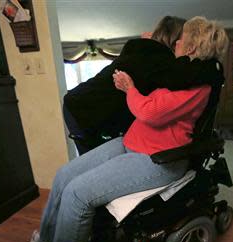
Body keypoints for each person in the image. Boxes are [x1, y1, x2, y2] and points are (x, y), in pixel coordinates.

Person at [13, 17, 228, 242]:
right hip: (131, 143)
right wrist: (149, 44)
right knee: (64, 175)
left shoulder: (198, 86)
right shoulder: (181, 72)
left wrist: (130, 88)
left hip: (159, 159)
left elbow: (150, 112)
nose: (175, 41)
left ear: (191, 47)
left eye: (182, 38)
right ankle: (44, 239)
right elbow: (155, 68)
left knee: (78, 194)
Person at [63, 16, 224, 154]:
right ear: (174, 40)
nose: (181, 43)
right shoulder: (157, 59)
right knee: (94, 171)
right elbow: (183, 77)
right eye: (181, 39)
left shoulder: (145, 49)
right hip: (82, 110)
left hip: (79, 101)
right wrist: (214, 66)